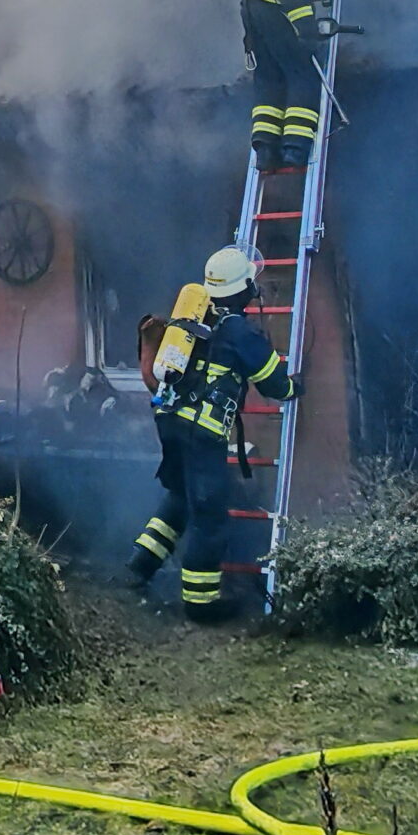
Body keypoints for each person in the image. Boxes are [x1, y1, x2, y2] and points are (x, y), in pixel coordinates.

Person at [127, 247, 299, 623]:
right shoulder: (239, 331)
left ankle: (139, 566)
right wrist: (294, 388)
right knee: (210, 518)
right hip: (201, 433)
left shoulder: (193, 317)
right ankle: (201, 604)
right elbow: (273, 383)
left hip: (170, 422)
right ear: (246, 288)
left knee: (180, 497)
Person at [230, 0, 376, 172]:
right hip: (274, 11)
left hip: (252, 7)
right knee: (302, 75)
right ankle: (295, 152)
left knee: (269, 75)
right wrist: (307, 32)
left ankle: (264, 149)